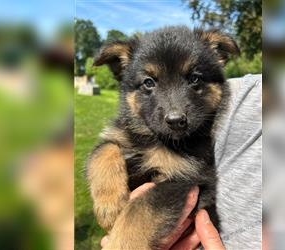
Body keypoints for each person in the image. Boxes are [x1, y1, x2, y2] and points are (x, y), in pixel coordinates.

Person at [101, 74, 262, 249]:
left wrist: (128, 236)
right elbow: (108, 146)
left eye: (193, 79)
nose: (175, 111)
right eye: (149, 82)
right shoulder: (244, 96)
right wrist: (106, 191)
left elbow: (180, 187)